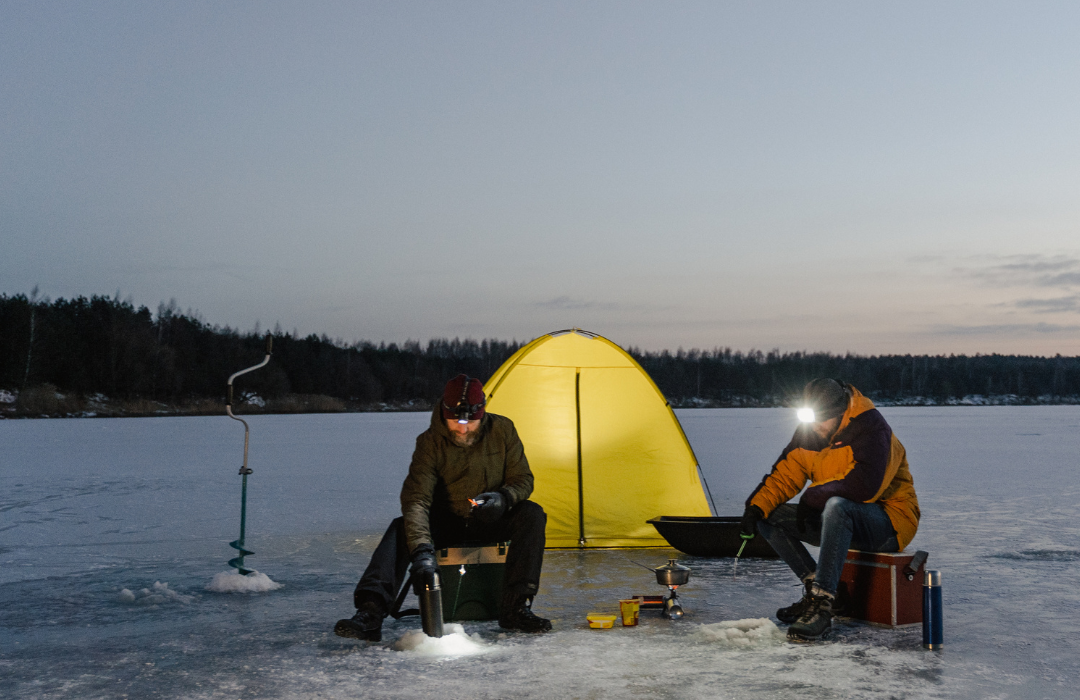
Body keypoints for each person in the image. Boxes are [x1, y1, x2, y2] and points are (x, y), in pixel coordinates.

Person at [334, 374, 551, 641]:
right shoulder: (429, 443)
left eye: (471, 422)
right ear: (443, 412)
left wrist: (503, 498)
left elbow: (523, 479)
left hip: (490, 518)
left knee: (532, 514)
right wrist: (423, 551)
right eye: (456, 423)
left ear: (481, 414)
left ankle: (517, 607)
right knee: (402, 528)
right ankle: (370, 611)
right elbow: (417, 499)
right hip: (447, 522)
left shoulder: (503, 430)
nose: (463, 429)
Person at [740, 378, 920, 641]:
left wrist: (814, 496)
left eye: (821, 420)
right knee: (769, 513)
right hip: (839, 518)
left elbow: (866, 487)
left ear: (840, 414)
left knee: (838, 505)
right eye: (811, 419)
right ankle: (817, 588)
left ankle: (822, 605)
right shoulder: (809, 433)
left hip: (889, 523)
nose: (815, 426)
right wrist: (754, 510)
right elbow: (783, 476)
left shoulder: (871, 428)